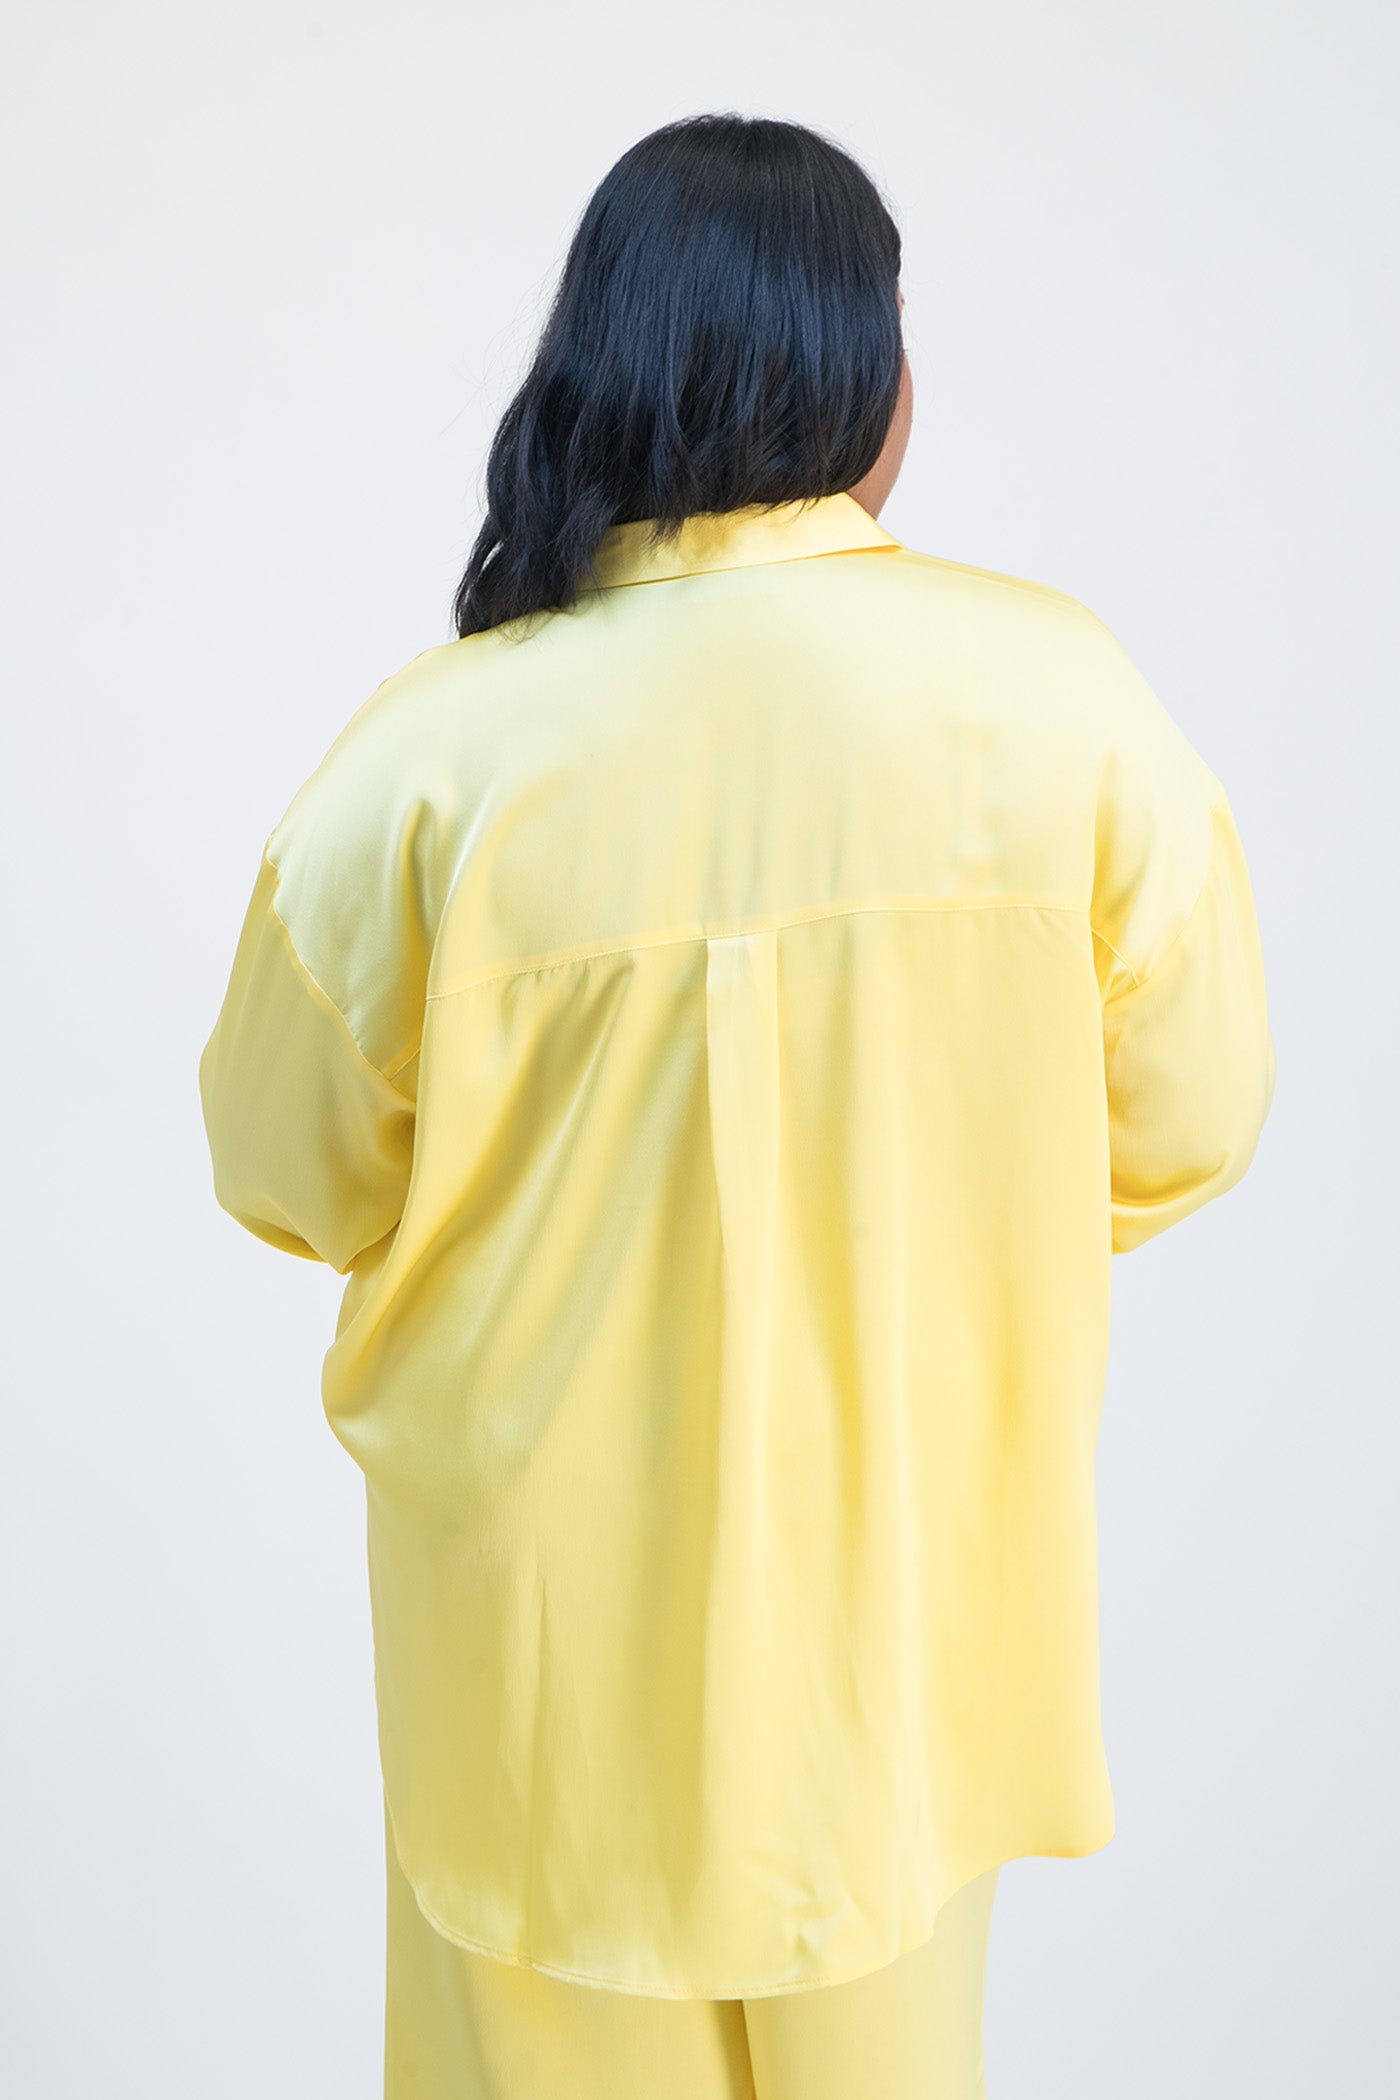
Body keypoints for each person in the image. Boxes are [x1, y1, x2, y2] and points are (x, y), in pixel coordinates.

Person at [197, 111, 1276, 2100]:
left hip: (538, 1664)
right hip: (901, 1634)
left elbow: (281, 1168)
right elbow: (1196, 1115)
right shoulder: (1064, 705)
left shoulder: (432, 760)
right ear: (872, 375)